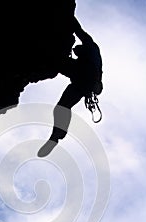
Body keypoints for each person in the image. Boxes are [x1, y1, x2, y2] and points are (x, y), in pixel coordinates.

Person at [37, 17, 103, 157]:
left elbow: (78, 30)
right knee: (62, 107)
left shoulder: (90, 46)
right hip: (84, 83)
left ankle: (57, 135)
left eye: (77, 50)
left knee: (55, 61)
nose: (75, 50)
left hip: (83, 75)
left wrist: (69, 16)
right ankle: (56, 136)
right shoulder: (92, 54)